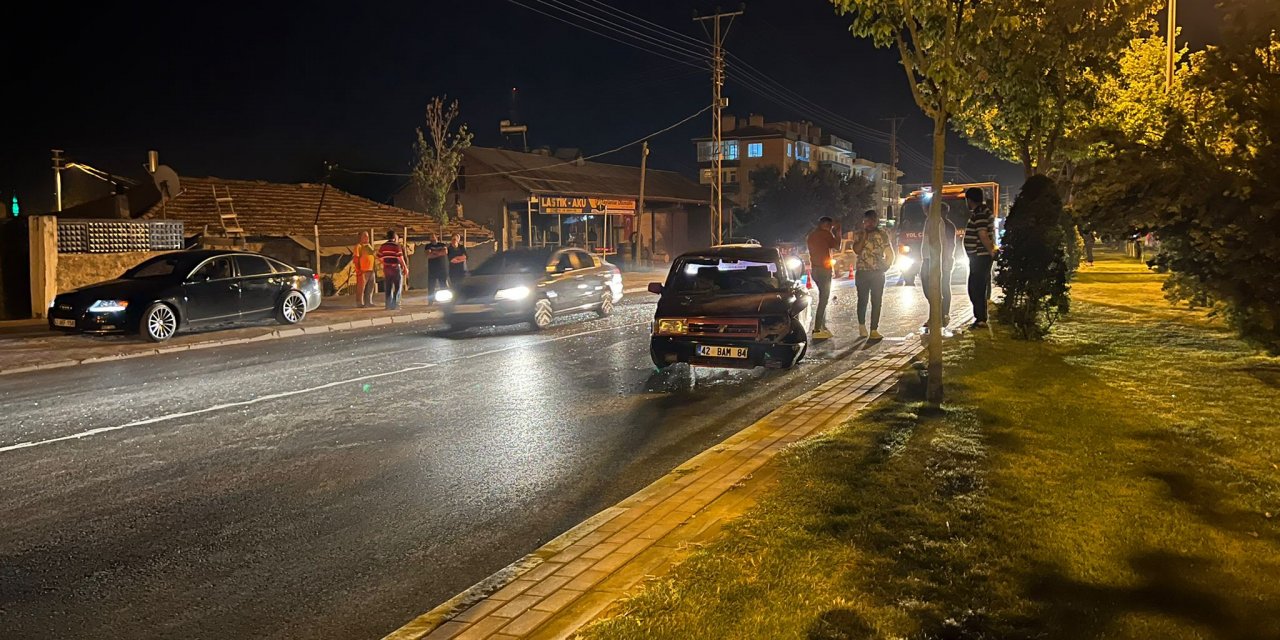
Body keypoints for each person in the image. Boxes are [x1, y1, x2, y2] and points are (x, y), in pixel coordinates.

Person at [851, 210, 895, 340]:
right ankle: (862, 326)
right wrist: (864, 237)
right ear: (863, 221)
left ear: (876, 221)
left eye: (872, 221)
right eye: (866, 221)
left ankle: (874, 329)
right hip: (862, 272)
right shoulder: (859, 234)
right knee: (862, 300)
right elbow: (857, 250)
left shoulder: (882, 234)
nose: (869, 223)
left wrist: (886, 266)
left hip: (877, 273)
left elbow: (889, 252)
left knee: (877, 301)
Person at [920, 205, 958, 332]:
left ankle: (941, 315)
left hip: (939, 260)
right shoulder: (929, 221)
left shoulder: (943, 224)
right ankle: (937, 314)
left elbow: (947, 244)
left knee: (943, 287)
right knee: (928, 286)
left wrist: (946, 260)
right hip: (928, 259)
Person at [963, 187, 998, 329]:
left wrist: (991, 252)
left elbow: (982, 234)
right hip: (978, 256)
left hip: (980, 256)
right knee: (977, 286)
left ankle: (981, 319)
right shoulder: (981, 212)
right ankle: (980, 318)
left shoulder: (981, 213)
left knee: (976, 287)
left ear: (969, 200)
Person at [806, 216, 840, 340]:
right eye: (830, 226)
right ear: (826, 225)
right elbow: (837, 246)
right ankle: (817, 329)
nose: (831, 228)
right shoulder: (825, 234)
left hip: (814, 270)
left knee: (822, 298)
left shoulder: (811, 235)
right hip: (824, 270)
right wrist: (838, 232)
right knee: (823, 299)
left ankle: (822, 327)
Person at [378, 229, 409, 310]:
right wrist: (405, 267)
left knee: (388, 286)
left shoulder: (383, 246)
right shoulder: (396, 246)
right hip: (395, 268)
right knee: (398, 286)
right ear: (395, 237)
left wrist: (384, 262)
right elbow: (400, 257)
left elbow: (379, 256)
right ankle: (396, 304)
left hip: (387, 268)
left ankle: (388, 305)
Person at [352, 231, 377, 308]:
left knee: (370, 287)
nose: (367, 238)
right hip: (363, 270)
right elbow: (356, 259)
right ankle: (359, 302)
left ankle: (368, 302)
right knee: (361, 287)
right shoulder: (358, 246)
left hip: (371, 270)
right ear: (361, 237)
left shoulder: (369, 246)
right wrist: (358, 269)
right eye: (365, 236)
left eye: (368, 236)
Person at [425, 233, 449, 301]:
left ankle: (445, 300)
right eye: (431, 237)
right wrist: (439, 253)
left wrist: (434, 253)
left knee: (443, 286)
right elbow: (428, 255)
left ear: (436, 237)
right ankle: (430, 301)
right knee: (431, 286)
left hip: (442, 269)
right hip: (432, 270)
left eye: (433, 236)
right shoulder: (428, 246)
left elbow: (445, 252)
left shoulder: (442, 244)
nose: (432, 238)